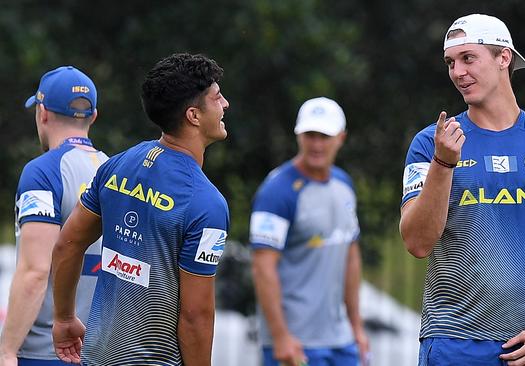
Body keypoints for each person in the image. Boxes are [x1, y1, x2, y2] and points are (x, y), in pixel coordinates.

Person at [399, 14, 525, 366]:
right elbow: (417, 243)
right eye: (450, 62)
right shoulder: (430, 144)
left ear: (503, 58)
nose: (457, 72)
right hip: (453, 343)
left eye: (468, 58)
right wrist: (443, 164)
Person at [50, 53, 230, 366]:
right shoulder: (207, 204)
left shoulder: (118, 165)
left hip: (97, 358)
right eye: (216, 98)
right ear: (194, 116)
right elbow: (195, 317)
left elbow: (68, 243)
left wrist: (64, 319)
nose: (225, 104)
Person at [0, 66, 108, 366]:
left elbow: (35, 271)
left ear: (43, 113)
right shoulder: (114, 171)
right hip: (98, 351)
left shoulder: (42, 172)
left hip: (43, 353)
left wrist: (7, 350)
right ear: (93, 117)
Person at [250, 97, 369, 366]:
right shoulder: (276, 191)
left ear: (341, 137)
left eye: (324, 136)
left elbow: (351, 256)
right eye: (310, 135)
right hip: (296, 345)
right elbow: (262, 268)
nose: (316, 144)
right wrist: (280, 337)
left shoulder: (344, 184)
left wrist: (357, 328)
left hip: (341, 342)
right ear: (298, 135)